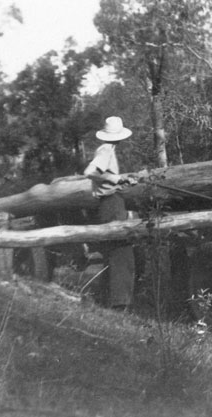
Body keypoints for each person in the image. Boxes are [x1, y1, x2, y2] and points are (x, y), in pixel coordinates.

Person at [84, 116, 136, 311]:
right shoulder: (106, 150)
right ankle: (119, 303)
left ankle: (109, 300)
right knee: (122, 252)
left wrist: (122, 179)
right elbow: (90, 171)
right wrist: (116, 179)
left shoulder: (108, 150)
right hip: (111, 204)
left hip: (110, 203)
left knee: (113, 252)